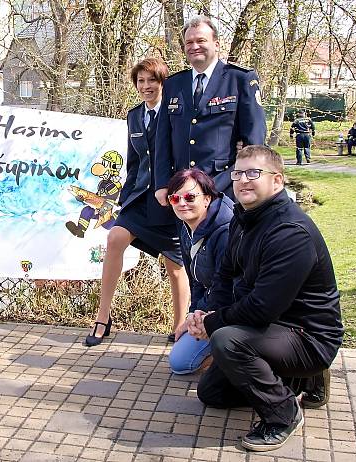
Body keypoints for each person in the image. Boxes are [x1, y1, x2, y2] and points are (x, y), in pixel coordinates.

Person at [187, 145, 343, 452]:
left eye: (254, 173)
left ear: (277, 181)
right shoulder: (242, 219)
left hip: (308, 336)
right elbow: (225, 275)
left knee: (227, 340)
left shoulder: (290, 231)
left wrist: (214, 323)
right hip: (271, 329)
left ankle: (283, 415)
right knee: (211, 394)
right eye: (237, 173)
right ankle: (301, 381)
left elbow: (261, 307)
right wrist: (207, 310)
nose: (244, 180)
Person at [84, 57, 190, 347]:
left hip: (168, 200)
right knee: (116, 238)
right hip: (139, 198)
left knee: (175, 265)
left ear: (162, 83)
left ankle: (179, 326)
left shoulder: (175, 114)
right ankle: (103, 318)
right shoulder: (133, 116)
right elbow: (134, 163)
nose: (146, 86)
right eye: (140, 81)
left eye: (151, 81)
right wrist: (125, 197)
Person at [154, 15, 267, 205]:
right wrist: (162, 184)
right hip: (183, 192)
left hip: (224, 188)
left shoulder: (240, 79)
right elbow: (162, 139)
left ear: (216, 44)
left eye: (201, 40)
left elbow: (254, 139)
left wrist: (246, 182)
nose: (194, 46)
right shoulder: (174, 84)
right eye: (189, 42)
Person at [165, 168, 233, 374]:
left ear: (207, 199)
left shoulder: (226, 231)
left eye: (189, 196)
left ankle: (229, 356)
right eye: (175, 198)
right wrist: (193, 314)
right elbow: (196, 280)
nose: (182, 203)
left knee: (181, 363)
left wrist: (197, 319)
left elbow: (226, 287)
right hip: (209, 307)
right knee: (178, 361)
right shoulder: (186, 226)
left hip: (230, 310)